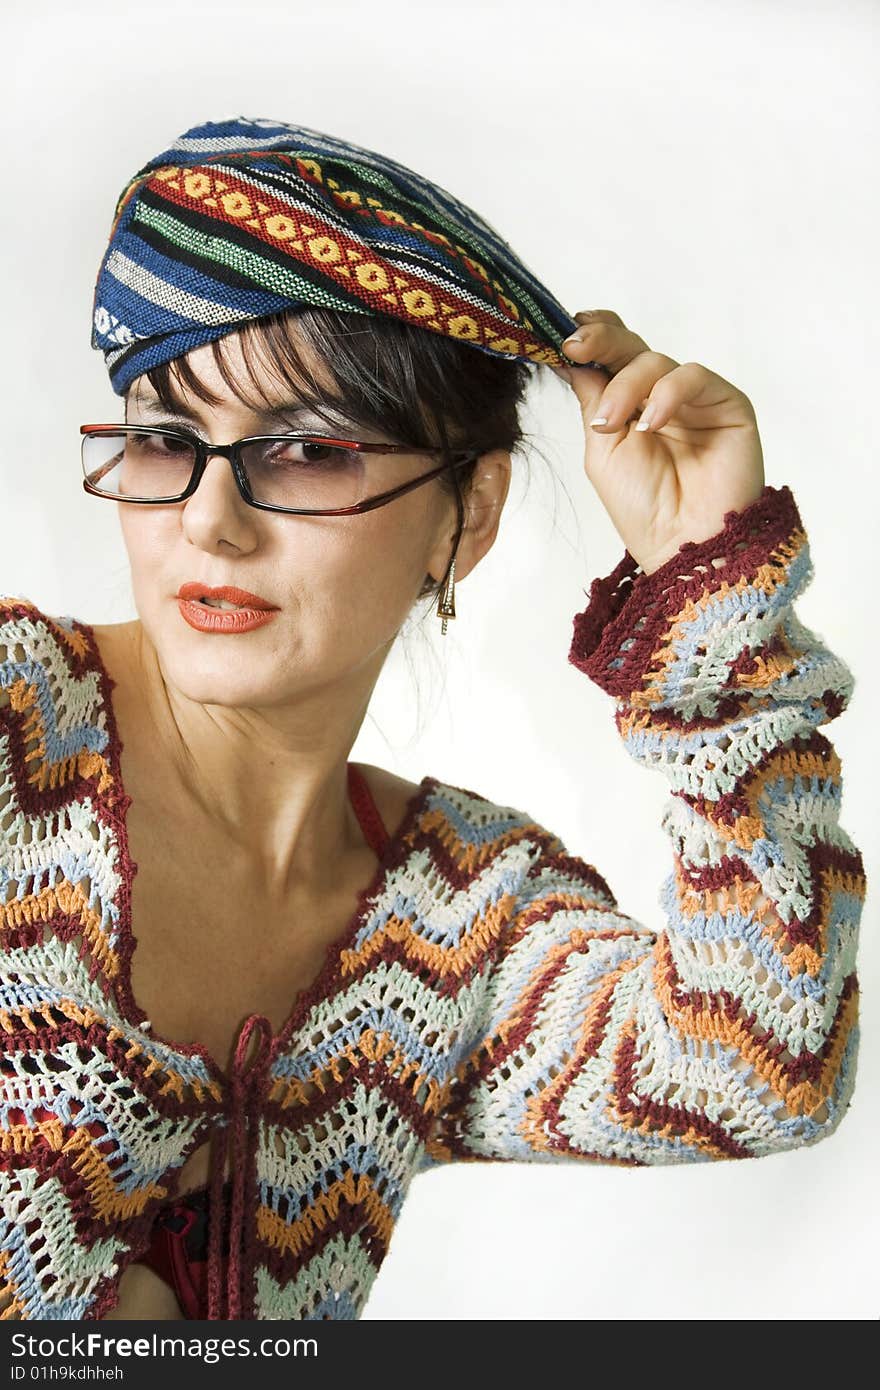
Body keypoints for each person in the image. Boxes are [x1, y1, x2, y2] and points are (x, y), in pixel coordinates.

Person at [0, 117, 865, 1323]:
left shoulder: (460, 918)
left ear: (467, 516)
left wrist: (705, 603)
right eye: (165, 441)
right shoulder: (14, 732)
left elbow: (760, 1064)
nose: (208, 523)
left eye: (305, 451)